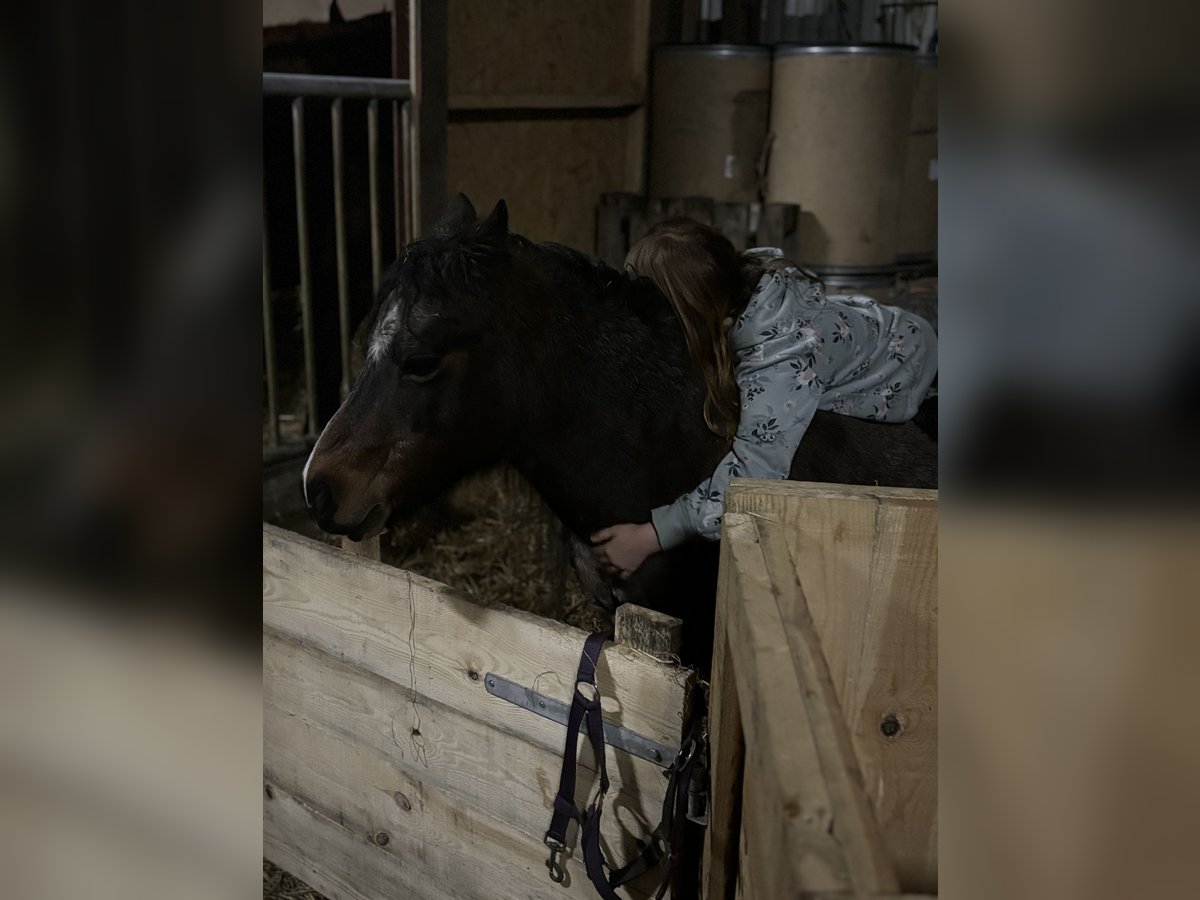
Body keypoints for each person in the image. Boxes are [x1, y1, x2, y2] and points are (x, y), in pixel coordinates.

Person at [591, 219, 938, 576]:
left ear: (690, 312)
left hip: (920, 377)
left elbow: (754, 475)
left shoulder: (780, 361)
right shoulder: (762, 290)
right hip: (894, 328)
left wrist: (652, 535)